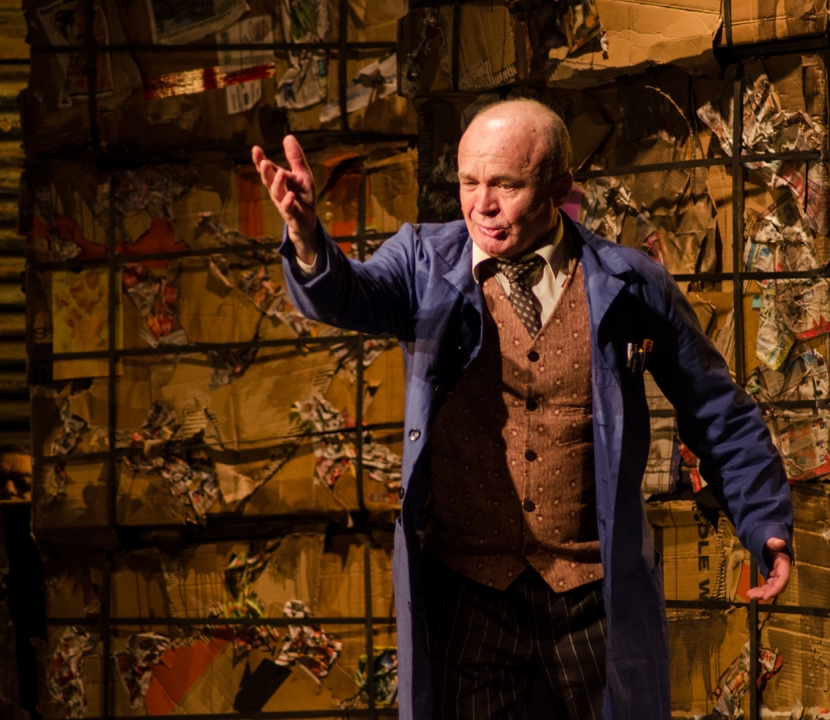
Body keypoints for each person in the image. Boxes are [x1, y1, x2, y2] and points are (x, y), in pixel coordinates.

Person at [252, 99, 794, 720]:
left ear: (559, 188)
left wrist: (764, 523)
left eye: (506, 185)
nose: (482, 205)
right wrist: (306, 236)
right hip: (470, 594)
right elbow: (350, 294)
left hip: (591, 594)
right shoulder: (424, 263)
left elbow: (717, 409)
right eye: (469, 183)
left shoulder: (628, 284)